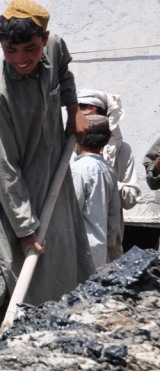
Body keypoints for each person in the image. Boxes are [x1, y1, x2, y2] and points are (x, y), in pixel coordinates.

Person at [0, 0, 94, 363]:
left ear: (44, 39)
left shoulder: (53, 48)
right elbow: (3, 167)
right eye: (11, 50)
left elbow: (65, 71)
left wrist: (73, 111)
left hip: (44, 181)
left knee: (25, 285)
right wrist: (26, 227)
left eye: (30, 49)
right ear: (1, 46)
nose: (21, 58)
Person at [75, 89, 141, 260]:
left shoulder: (122, 150)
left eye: (86, 107)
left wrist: (106, 181)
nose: (81, 112)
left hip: (110, 239)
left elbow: (131, 199)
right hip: (76, 239)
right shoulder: (68, 148)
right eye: (78, 107)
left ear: (103, 114)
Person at [70, 115, 121, 270]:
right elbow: (114, 216)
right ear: (106, 141)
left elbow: (71, 214)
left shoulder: (77, 170)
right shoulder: (108, 170)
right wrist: (108, 243)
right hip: (99, 253)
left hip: (77, 253)